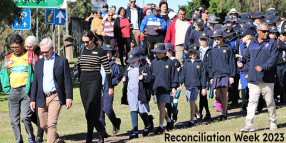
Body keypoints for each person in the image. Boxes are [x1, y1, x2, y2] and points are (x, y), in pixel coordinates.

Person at [29, 38, 73, 143]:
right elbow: (35, 82)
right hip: (41, 97)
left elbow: (68, 81)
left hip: (55, 96)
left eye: (46, 52)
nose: (44, 54)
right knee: (43, 125)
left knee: (51, 123)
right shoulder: (39, 63)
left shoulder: (62, 61)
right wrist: (32, 99)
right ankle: (57, 140)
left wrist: (69, 97)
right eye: (42, 52)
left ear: (52, 49)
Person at [240, 23, 279, 132]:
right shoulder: (252, 44)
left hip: (267, 78)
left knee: (270, 102)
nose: (267, 33)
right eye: (265, 31)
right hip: (253, 79)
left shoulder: (272, 44)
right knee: (252, 102)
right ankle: (249, 125)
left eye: (268, 31)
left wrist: (263, 67)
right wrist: (245, 67)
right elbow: (247, 58)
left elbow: (273, 59)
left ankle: (273, 123)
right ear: (258, 31)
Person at [76, 31, 114, 142]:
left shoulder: (100, 51)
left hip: (95, 81)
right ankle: (101, 131)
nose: (85, 44)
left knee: (91, 106)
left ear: (92, 40)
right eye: (83, 42)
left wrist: (110, 87)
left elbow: (107, 70)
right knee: (88, 110)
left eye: (87, 42)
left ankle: (89, 136)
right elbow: (79, 64)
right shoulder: (82, 51)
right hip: (83, 81)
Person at [0, 34, 37, 143]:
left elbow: (37, 72)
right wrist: (7, 89)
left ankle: (31, 139)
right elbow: (3, 74)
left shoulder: (31, 56)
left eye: (17, 47)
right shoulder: (8, 59)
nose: (15, 50)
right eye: (13, 48)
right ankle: (18, 140)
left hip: (26, 92)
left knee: (25, 117)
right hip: (13, 92)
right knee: (13, 121)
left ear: (22, 44)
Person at [122, 50, 154, 139]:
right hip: (131, 93)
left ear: (138, 60)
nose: (132, 63)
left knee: (142, 111)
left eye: (134, 61)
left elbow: (151, 78)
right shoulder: (128, 67)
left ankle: (148, 124)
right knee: (133, 110)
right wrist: (124, 78)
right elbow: (126, 75)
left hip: (141, 93)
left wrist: (144, 77)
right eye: (130, 61)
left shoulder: (144, 67)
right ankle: (135, 131)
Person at [150, 43, 179, 134]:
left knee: (162, 107)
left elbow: (174, 75)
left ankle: (160, 126)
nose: (158, 54)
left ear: (165, 52)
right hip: (156, 88)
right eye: (157, 52)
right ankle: (169, 121)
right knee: (160, 108)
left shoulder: (170, 62)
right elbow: (151, 76)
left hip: (166, 88)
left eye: (160, 52)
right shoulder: (154, 62)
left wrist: (174, 87)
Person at [209, 30, 236, 121]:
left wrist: (231, 76)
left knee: (224, 94)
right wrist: (211, 76)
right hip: (216, 74)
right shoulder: (213, 50)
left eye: (218, 39)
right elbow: (211, 64)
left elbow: (232, 62)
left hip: (225, 74)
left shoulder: (228, 48)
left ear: (222, 38)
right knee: (216, 95)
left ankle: (224, 113)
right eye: (215, 39)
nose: (216, 40)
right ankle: (224, 107)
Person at [180, 44, 207, 127]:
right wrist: (179, 83)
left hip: (196, 86)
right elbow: (183, 74)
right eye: (191, 53)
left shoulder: (200, 63)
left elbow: (203, 76)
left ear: (197, 53)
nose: (193, 55)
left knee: (192, 101)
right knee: (191, 102)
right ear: (189, 54)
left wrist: (203, 87)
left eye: (195, 53)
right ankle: (198, 115)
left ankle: (192, 120)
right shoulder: (186, 63)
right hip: (188, 85)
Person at [24, 35, 44, 142]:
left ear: (35, 45)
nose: (27, 49)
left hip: (40, 87)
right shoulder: (25, 55)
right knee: (28, 115)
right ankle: (44, 126)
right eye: (26, 47)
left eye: (30, 47)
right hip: (29, 88)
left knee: (38, 112)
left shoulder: (41, 54)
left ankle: (40, 136)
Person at [99, 44, 122, 135]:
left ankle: (115, 122)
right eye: (106, 53)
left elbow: (118, 76)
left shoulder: (113, 65)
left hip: (108, 90)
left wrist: (112, 83)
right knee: (100, 112)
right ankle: (102, 131)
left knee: (107, 109)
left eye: (110, 53)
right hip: (98, 90)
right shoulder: (97, 63)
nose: (108, 55)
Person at [236, 24, 256, 112]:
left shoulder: (252, 46)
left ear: (248, 37)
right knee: (244, 89)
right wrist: (239, 61)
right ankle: (244, 105)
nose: (241, 38)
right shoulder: (244, 47)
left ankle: (258, 105)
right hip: (243, 70)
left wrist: (249, 72)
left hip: (249, 71)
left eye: (243, 36)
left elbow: (252, 59)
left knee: (252, 90)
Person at [164, 43, 181, 123]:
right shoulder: (164, 61)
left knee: (174, 100)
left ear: (171, 51)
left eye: (167, 51)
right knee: (167, 103)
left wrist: (179, 84)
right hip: (167, 85)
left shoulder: (175, 61)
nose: (165, 53)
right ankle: (170, 118)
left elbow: (178, 74)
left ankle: (174, 115)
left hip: (175, 84)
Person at [224, 26, 240, 106]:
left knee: (235, 82)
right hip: (227, 63)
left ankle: (235, 99)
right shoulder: (225, 41)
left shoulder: (237, 41)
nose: (229, 36)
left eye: (230, 35)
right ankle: (230, 97)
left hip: (235, 63)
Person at [198, 33, 212, 120]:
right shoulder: (197, 50)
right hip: (198, 74)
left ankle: (201, 112)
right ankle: (206, 112)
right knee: (202, 95)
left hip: (206, 74)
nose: (203, 41)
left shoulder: (210, 50)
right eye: (201, 40)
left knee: (203, 94)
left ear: (208, 40)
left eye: (205, 40)